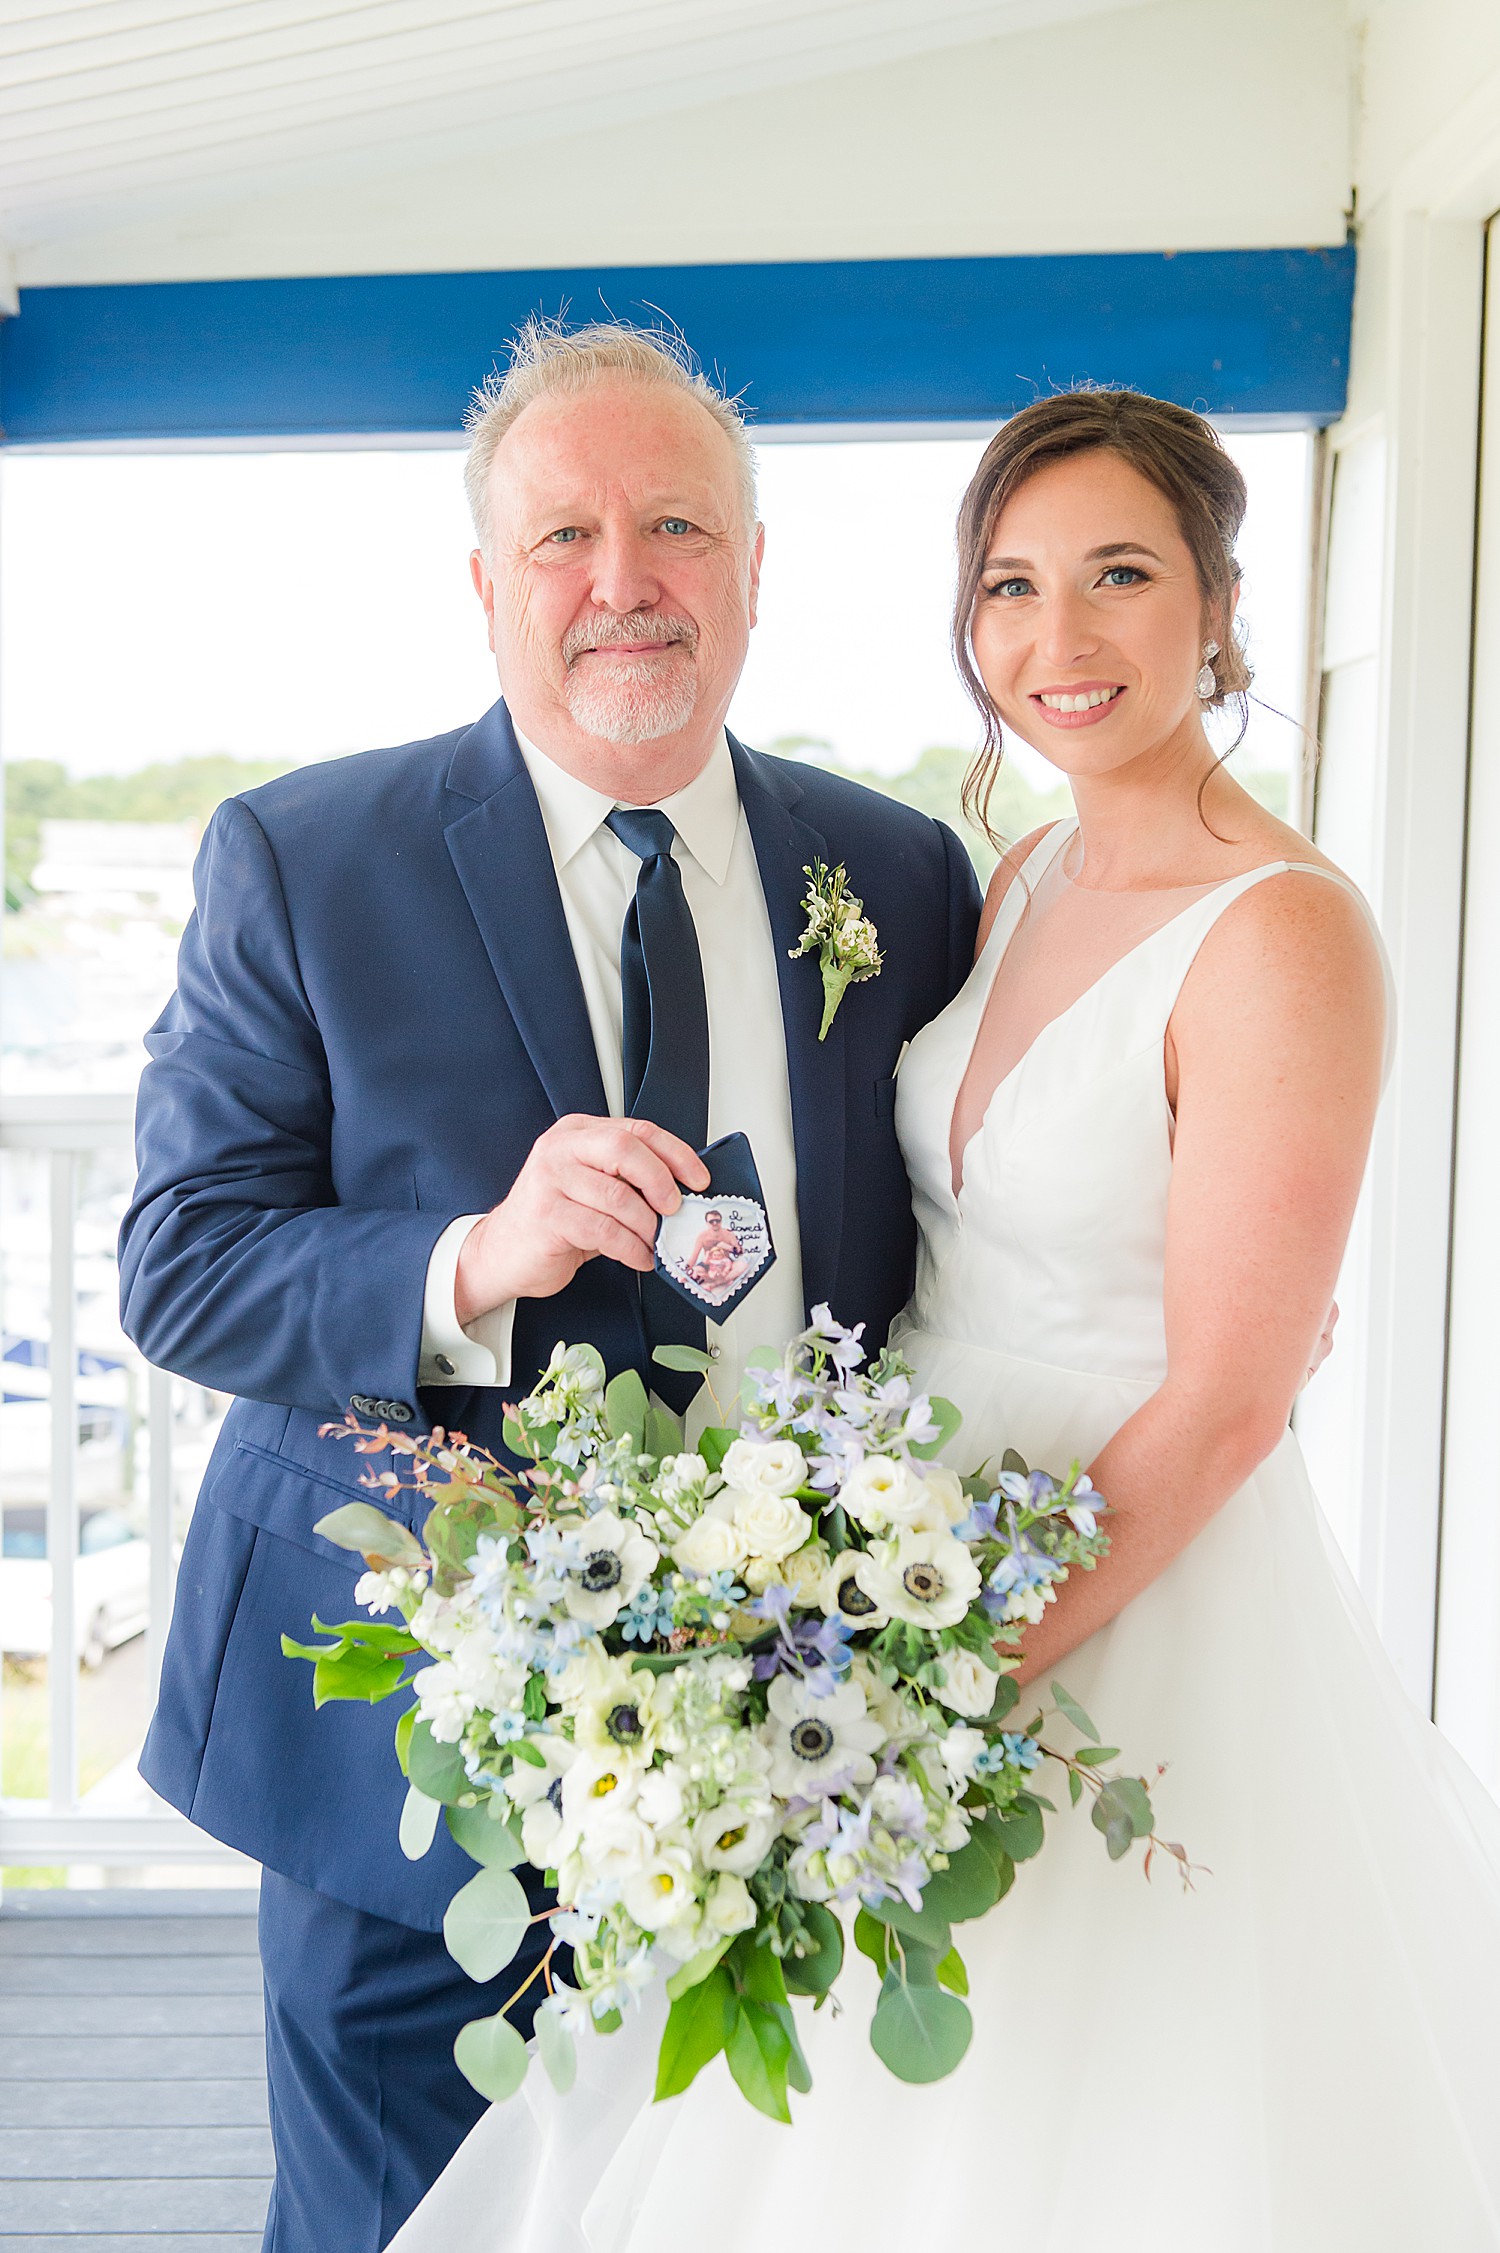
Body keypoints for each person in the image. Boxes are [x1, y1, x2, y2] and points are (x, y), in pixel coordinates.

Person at [392, 390, 1500, 2252]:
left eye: (1121, 578)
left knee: (1100, 2140)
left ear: (1221, 607)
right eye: (1010, 588)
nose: (1057, 642)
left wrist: (932, 1698)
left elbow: (1230, 1398)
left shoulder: (1289, 930)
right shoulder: (1014, 875)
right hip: (898, 1544)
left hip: (1117, 1600)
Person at [118, 321, 982, 2253]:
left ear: (756, 567)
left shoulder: (901, 872)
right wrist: (466, 1261)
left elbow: (965, 1224)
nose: (625, 582)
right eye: (566, 534)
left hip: (793, 1742)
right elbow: (180, 1260)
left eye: (677, 525)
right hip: (406, 1755)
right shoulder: (303, 856)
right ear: (488, 582)